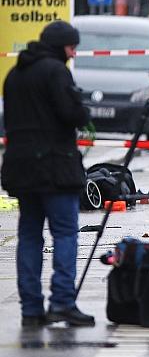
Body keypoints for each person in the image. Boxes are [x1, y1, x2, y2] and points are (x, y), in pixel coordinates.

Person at [1, 20, 94, 327]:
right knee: (65, 233)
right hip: (56, 168)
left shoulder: (14, 75)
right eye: (71, 47)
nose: (73, 53)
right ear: (59, 47)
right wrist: (82, 106)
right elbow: (71, 114)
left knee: (29, 234)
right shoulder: (56, 72)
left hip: (21, 168)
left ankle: (31, 308)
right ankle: (62, 303)